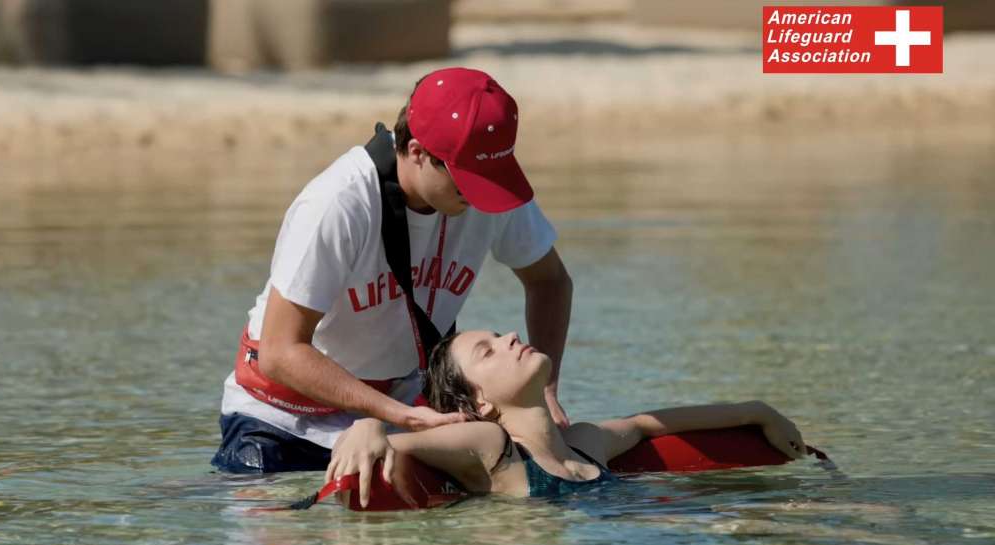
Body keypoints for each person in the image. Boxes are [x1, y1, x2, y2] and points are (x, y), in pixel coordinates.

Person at [212, 67, 575, 473]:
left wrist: (547, 389)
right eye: (468, 181)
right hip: (283, 418)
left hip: (400, 408)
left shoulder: (489, 186)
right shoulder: (338, 203)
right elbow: (279, 353)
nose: (482, 196)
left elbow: (550, 281)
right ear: (418, 152)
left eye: (491, 175)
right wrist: (400, 417)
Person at [327, 330, 808, 505]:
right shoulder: (491, 447)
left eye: (500, 334)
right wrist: (368, 424)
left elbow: (646, 424)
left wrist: (756, 411)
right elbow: (398, 443)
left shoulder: (583, 443)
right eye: (488, 351)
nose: (512, 336)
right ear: (480, 404)